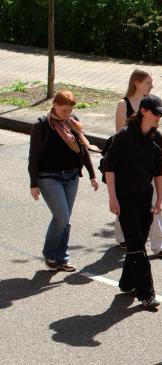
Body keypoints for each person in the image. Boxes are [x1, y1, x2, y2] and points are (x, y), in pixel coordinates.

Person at [103, 95, 162, 311]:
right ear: (143, 111)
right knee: (134, 242)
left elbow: (158, 171)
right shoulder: (123, 136)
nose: (159, 116)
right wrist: (112, 197)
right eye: (156, 112)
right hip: (125, 196)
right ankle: (146, 293)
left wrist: (159, 198)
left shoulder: (156, 137)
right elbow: (110, 168)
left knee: (138, 242)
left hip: (145, 195)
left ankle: (127, 282)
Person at [28, 89, 99, 272]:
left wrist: (92, 174)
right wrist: (33, 183)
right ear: (55, 105)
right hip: (48, 177)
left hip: (71, 176)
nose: (66, 115)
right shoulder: (42, 124)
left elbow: (82, 149)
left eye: (69, 111)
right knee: (62, 217)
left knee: (65, 220)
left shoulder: (72, 122)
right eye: (63, 111)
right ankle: (50, 254)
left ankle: (62, 258)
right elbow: (34, 156)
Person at [113, 68, 162, 258]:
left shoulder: (153, 104)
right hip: (129, 167)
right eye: (148, 82)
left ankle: (160, 244)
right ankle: (124, 236)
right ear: (137, 83)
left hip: (147, 165)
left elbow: (154, 135)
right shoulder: (124, 104)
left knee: (155, 203)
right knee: (125, 205)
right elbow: (119, 136)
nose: (152, 86)